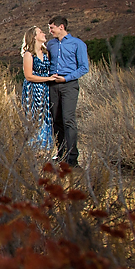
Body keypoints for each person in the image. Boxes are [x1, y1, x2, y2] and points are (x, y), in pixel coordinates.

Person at [46, 16, 89, 167]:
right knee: (56, 120)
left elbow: (84, 67)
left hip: (69, 85)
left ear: (61, 27)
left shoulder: (78, 44)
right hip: (52, 85)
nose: (50, 31)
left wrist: (65, 79)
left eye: (52, 28)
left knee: (68, 119)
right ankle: (61, 154)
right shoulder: (50, 44)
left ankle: (72, 159)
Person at [20, 26, 58, 152]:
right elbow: (29, 76)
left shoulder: (46, 53)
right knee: (35, 118)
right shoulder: (28, 54)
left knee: (46, 117)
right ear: (34, 36)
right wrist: (48, 79)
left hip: (45, 90)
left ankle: (46, 148)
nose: (44, 33)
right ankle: (34, 149)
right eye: (41, 32)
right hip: (33, 90)